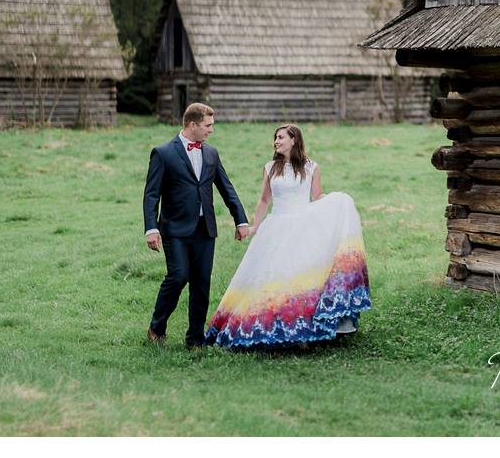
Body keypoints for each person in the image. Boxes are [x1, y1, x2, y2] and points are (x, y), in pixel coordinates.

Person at [204, 124, 371, 348]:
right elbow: (265, 200)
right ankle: (275, 328)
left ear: (294, 139)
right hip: (276, 226)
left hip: (303, 226)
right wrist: (254, 226)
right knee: (272, 277)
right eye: (275, 137)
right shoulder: (271, 167)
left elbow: (317, 196)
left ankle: (302, 331)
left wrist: (336, 205)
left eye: (281, 137)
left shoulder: (311, 167)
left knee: (301, 279)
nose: (276, 141)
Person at [143, 102, 250, 348]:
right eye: (208, 125)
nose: (211, 130)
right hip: (174, 229)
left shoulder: (211, 153)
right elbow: (151, 194)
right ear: (193, 125)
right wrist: (151, 228)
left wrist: (240, 220)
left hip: (205, 229)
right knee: (178, 276)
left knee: (202, 283)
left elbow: (226, 188)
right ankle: (156, 327)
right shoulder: (163, 153)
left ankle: (195, 338)